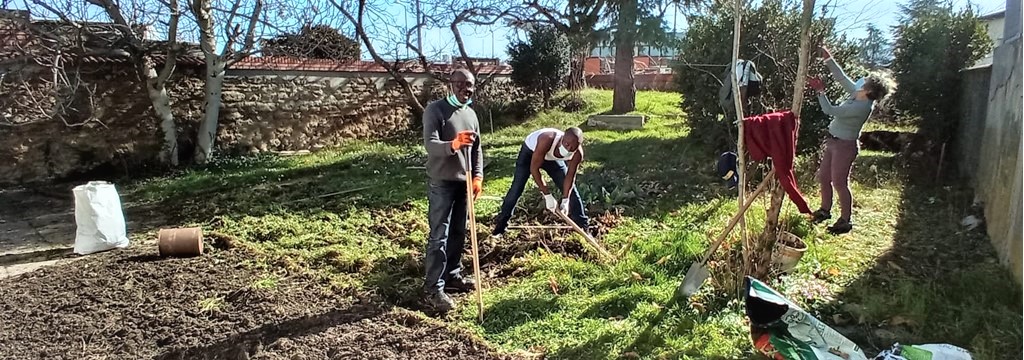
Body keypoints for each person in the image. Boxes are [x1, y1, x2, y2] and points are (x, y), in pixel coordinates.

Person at [808, 46, 895, 234]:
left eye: (865, 82)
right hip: (833, 141)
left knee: (839, 182)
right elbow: (841, 78)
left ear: (869, 90)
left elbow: (830, 111)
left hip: (845, 147)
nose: (861, 81)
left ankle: (845, 220)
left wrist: (820, 92)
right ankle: (825, 210)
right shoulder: (857, 94)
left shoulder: (861, 108)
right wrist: (828, 59)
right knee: (824, 177)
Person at [421, 69, 482, 312]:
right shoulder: (435, 110)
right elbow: (431, 145)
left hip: (463, 181)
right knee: (440, 235)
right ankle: (433, 288)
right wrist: (454, 144)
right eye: (461, 84)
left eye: (470, 85)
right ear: (451, 84)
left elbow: (477, 148)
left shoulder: (471, 114)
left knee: (459, 230)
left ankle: (452, 276)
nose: (466, 89)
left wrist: (477, 176)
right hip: (442, 182)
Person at [491, 127, 588, 237]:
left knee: (573, 193)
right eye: (566, 144)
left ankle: (583, 227)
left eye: (572, 147)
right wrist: (547, 195)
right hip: (530, 154)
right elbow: (534, 169)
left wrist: (566, 199)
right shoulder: (546, 139)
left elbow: (570, 176)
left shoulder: (577, 154)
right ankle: (500, 227)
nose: (569, 148)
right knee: (517, 188)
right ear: (562, 139)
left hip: (551, 159)